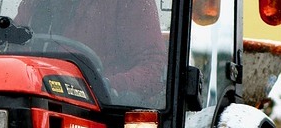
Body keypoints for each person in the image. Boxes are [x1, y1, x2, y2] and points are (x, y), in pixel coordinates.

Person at [15, 0, 167, 105]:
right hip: (36, 104)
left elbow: (154, 69)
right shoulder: (35, 4)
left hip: (100, 117)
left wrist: (105, 87)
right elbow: (13, 52)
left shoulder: (129, 3)